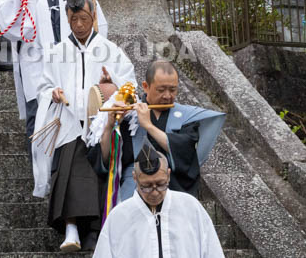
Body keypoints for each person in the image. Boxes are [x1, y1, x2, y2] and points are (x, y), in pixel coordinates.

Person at [34, 0, 135, 252]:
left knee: (97, 170)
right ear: (67, 20)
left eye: (85, 19)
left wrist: (110, 83)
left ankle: (95, 230)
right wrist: (52, 92)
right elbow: (42, 86)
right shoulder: (56, 52)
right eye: (74, 20)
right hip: (67, 120)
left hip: (100, 123)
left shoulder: (110, 50)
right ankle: (70, 228)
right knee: (68, 163)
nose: (79, 25)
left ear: (94, 19)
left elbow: (129, 85)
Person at [0, 0, 108, 154]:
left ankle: (65, 173)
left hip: (69, 63)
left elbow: (88, 21)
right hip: (37, 62)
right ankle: (41, 179)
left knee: (73, 117)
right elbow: (5, 24)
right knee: (39, 118)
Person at [88, 59, 225, 204]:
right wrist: (110, 126)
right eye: (161, 90)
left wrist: (148, 126)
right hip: (134, 189)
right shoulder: (129, 114)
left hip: (171, 187)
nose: (167, 96)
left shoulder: (185, 117)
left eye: (172, 90)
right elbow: (106, 159)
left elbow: (185, 153)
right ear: (146, 87)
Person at [93, 144, 224, 257]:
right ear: (135, 178)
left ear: (168, 175)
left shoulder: (190, 207)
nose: (155, 192)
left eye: (161, 184)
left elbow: (212, 250)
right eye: (146, 186)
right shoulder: (119, 216)